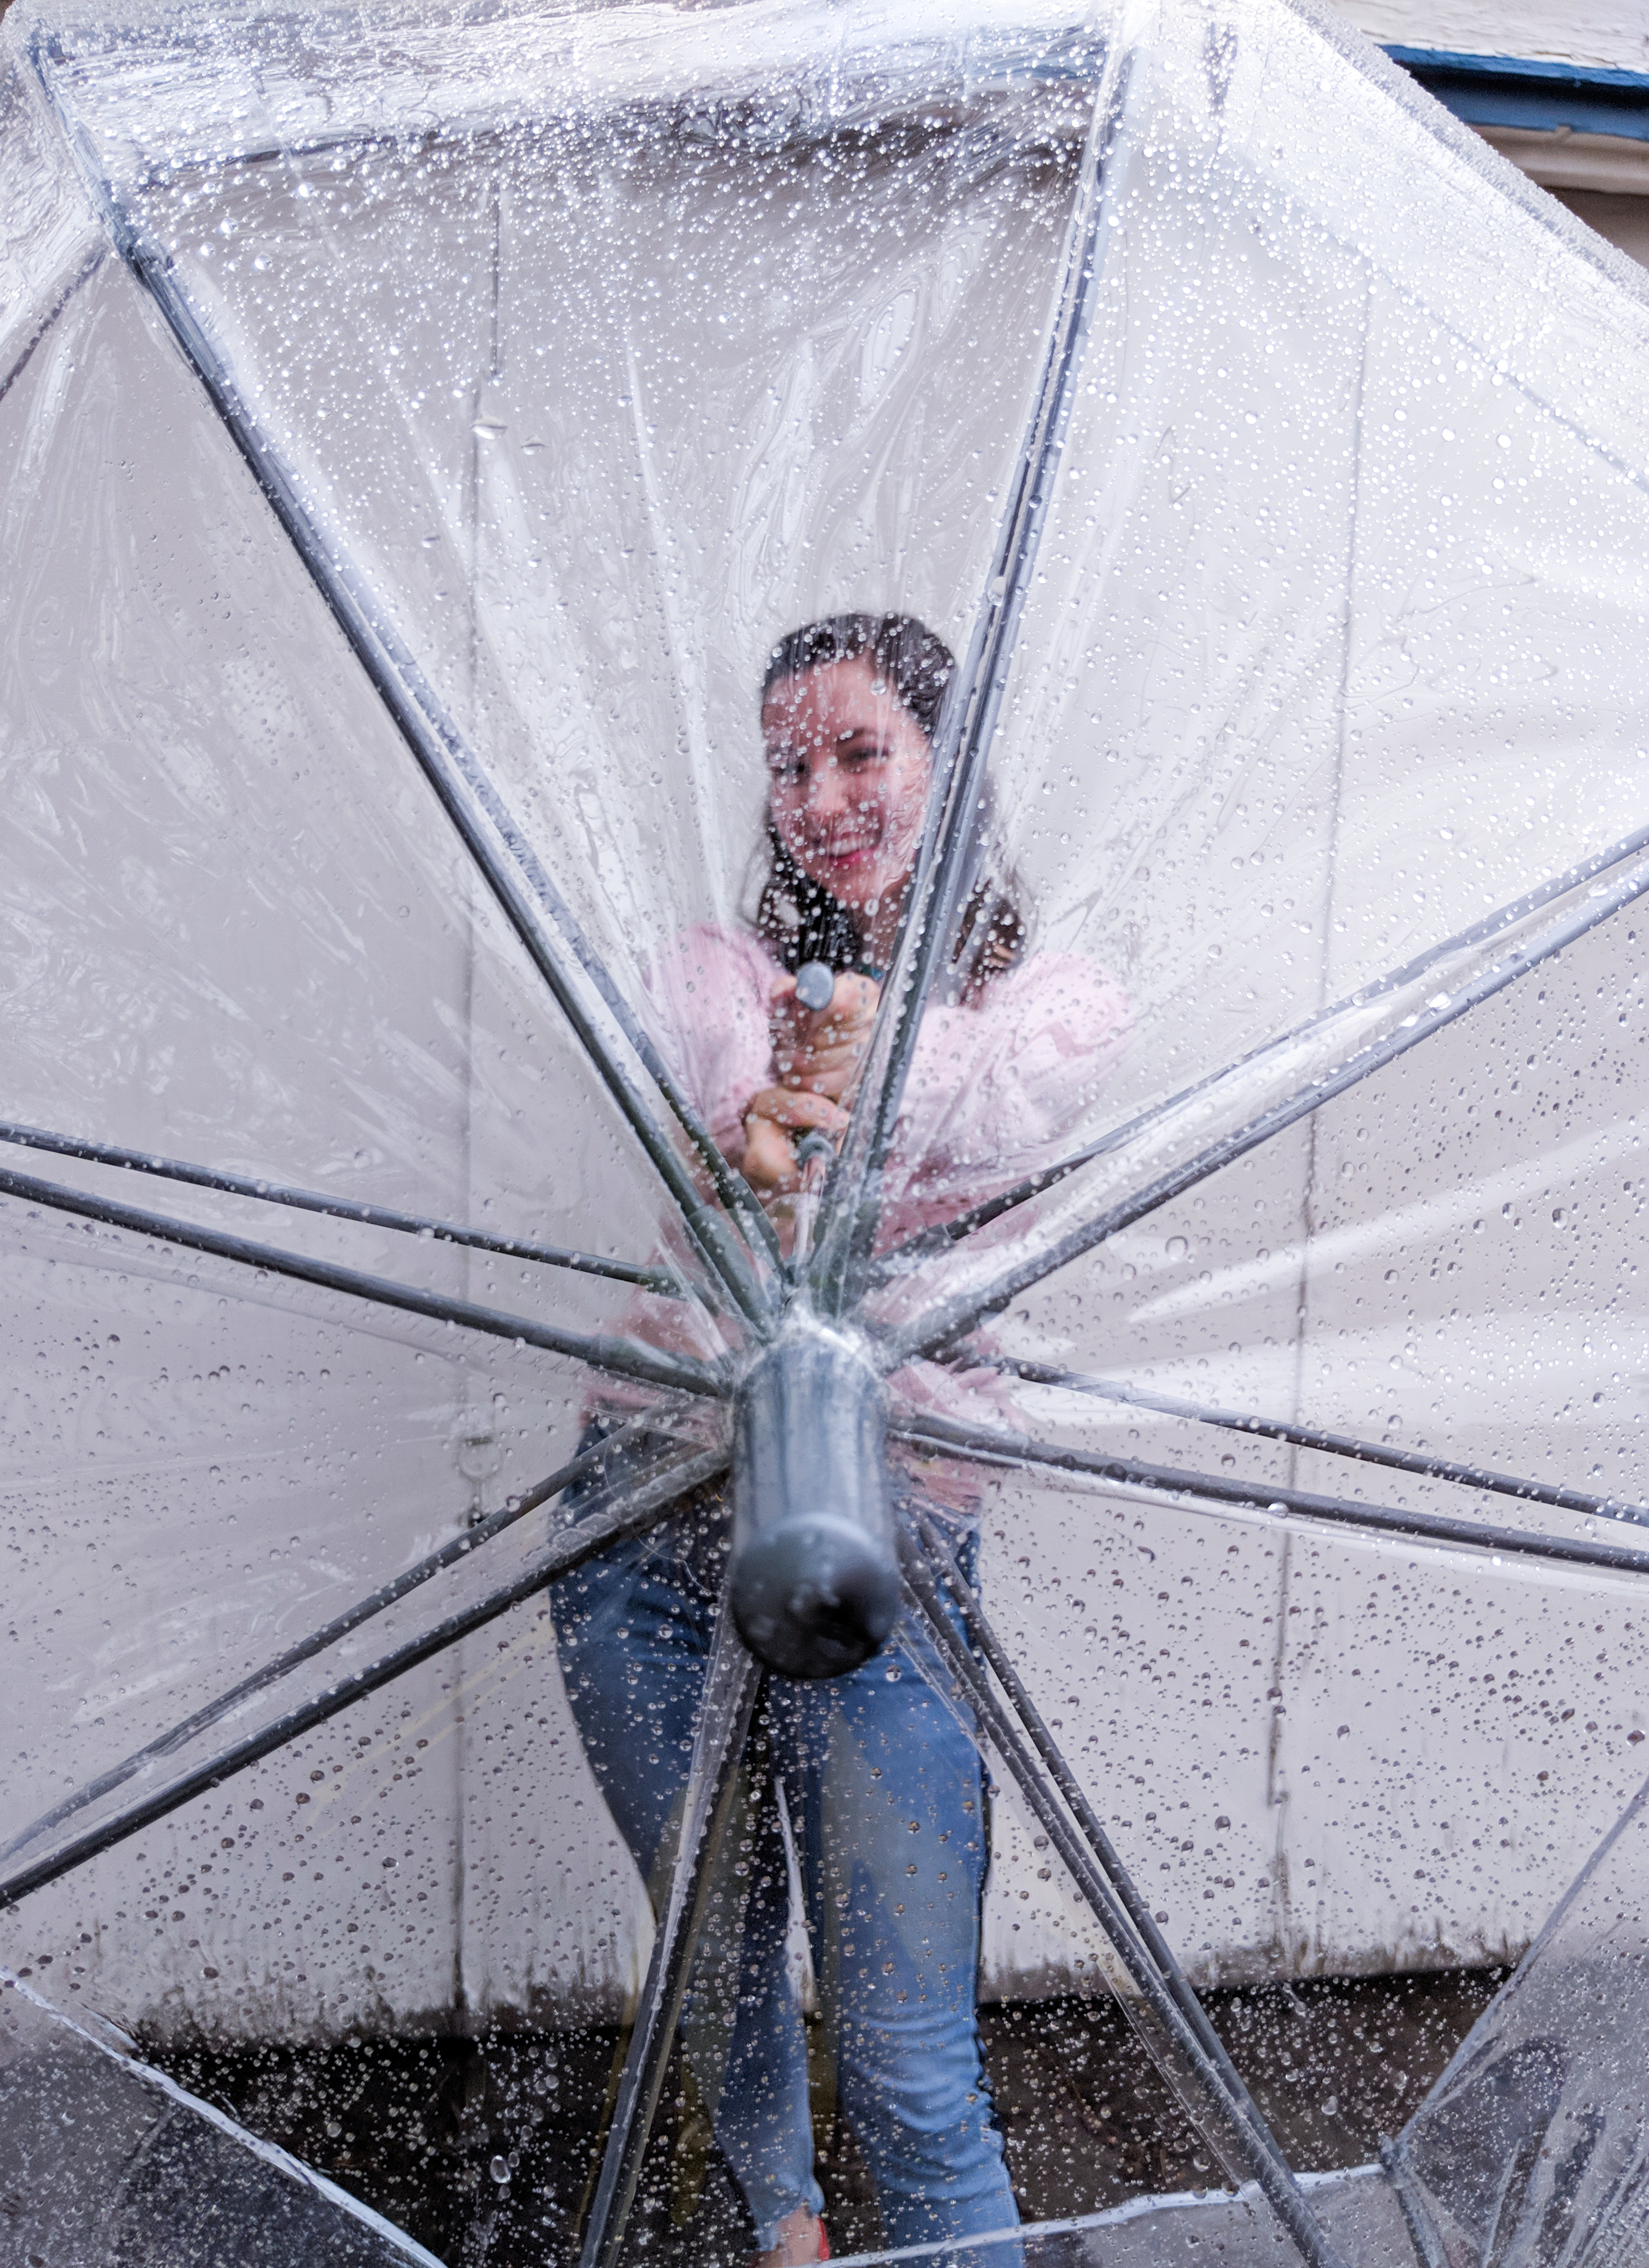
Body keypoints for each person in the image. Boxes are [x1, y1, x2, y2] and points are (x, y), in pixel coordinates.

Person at [552, 615, 1131, 2265]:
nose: (822, 795)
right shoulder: (713, 974)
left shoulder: (1053, 1003)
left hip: (892, 1561)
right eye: (790, 765)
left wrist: (863, 1055)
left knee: (909, 2052)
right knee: (720, 1985)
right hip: (640, 1537)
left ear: (946, 773)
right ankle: (784, 2239)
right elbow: (726, 1066)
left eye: (862, 752)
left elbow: (1016, 1092)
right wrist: (760, 1114)